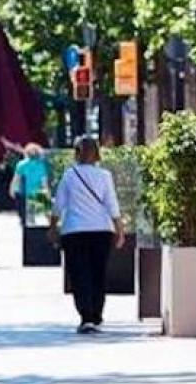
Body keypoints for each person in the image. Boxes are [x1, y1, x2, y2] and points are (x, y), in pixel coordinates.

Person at [50, 136, 125, 334]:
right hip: (101, 230)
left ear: (77, 153)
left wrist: (53, 227)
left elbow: (59, 204)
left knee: (79, 274)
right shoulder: (104, 176)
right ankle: (96, 313)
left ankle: (86, 316)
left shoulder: (69, 176)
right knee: (98, 273)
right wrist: (119, 229)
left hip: (74, 231)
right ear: (97, 153)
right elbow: (112, 204)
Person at [8, 142, 52, 225]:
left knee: (27, 219)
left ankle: (29, 234)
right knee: (47, 215)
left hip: (24, 194)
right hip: (38, 193)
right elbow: (44, 182)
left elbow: (16, 179)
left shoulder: (21, 164)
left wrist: (11, 190)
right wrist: (47, 193)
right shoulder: (41, 165)